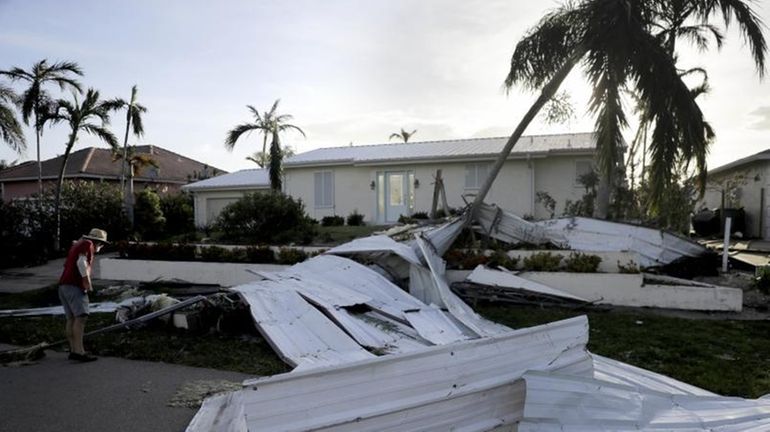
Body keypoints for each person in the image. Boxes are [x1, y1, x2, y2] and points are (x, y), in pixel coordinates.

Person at [58, 228, 108, 362]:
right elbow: (81, 263)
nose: (101, 247)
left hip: (64, 285)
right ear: (98, 242)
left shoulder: (78, 245)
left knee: (71, 319)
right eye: (101, 244)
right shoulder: (88, 244)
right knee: (81, 318)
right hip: (74, 285)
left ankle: (73, 350)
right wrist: (86, 282)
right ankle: (80, 352)